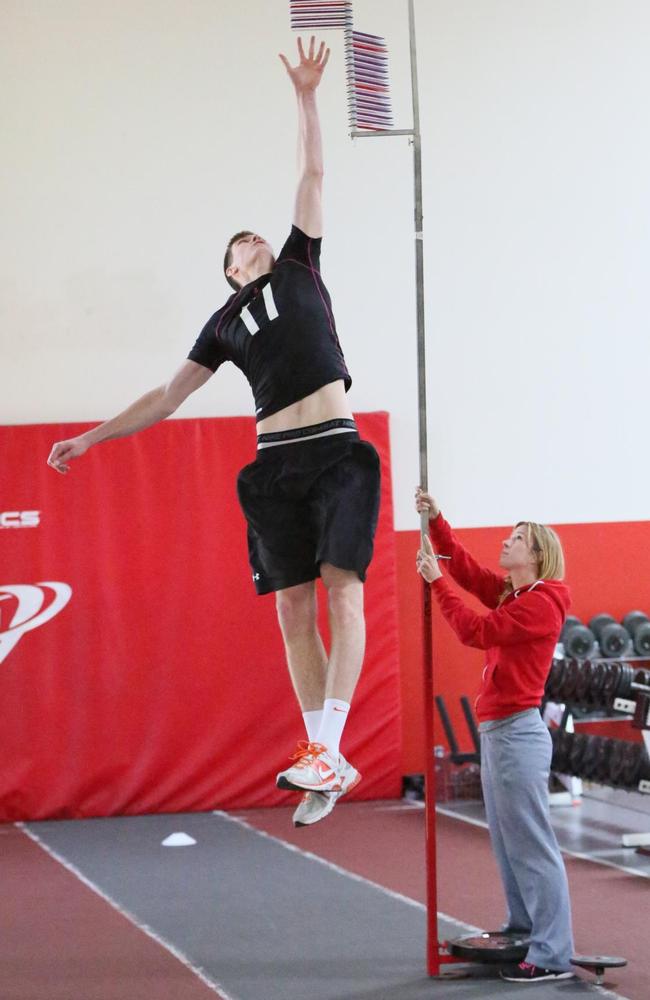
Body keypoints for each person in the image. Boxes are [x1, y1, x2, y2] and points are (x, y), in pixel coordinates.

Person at [46, 37, 380, 829]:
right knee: (292, 611)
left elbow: (312, 172)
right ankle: (322, 755)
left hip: (334, 448)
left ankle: (330, 748)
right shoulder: (223, 323)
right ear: (230, 273)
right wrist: (91, 439)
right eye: (239, 248)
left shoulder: (301, 266)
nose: (254, 242)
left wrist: (304, 98)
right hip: (274, 466)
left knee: (345, 591)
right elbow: (166, 397)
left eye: (255, 236)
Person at [415, 488, 574, 984]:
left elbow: (474, 631)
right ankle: (524, 927)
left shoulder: (541, 605)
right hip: (499, 733)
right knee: (507, 844)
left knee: (531, 844)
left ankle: (551, 953)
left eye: (517, 539)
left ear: (537, 556)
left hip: (517, 733)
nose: (506, 542)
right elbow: (464, 568)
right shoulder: (516, 594)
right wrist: (437, 521)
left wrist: (436, 583)